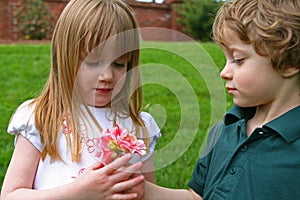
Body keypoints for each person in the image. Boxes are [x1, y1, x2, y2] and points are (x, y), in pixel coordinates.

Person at [138, 0, 300, 199]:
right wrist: (144, 192)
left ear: (290, 62)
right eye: (225, 59)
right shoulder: (224, 129)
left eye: (238, 60)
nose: (224, 72)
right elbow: (197, 196)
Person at [0, 0, 161, 199]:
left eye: (119, 64)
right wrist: (77, 193)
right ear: (65, 57)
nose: (107, 76)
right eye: (93, 62)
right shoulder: (41, 117)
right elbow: (10, 196)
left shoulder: (139, 126)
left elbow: (149, 194)